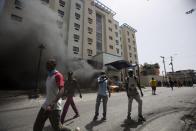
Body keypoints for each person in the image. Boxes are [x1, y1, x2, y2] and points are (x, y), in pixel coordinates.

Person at [33, 59, 71, 131]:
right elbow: (50, 90)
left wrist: (52, 103)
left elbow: (62, 90)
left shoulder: (58, 75)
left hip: (54, 107)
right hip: (46, 105)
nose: (46, 67)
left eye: (48, 65)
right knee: (37, 125)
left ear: (53, 66)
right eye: (46, 65)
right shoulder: (49, 76)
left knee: (57, 128)